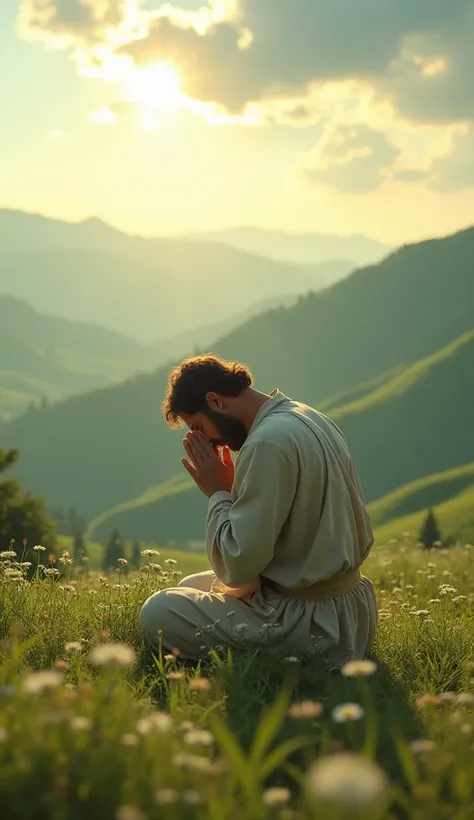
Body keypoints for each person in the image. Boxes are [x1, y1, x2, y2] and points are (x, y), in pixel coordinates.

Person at [140, 356, 378, 665]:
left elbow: (239, 567)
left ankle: (278, 661)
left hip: (312, 625)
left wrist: (219, 491)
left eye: (200, 426)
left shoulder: (266, 443)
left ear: (215, 400)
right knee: (188, 587)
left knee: (157, 613)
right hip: (350, 611)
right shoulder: (308, 416)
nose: (208, 442)